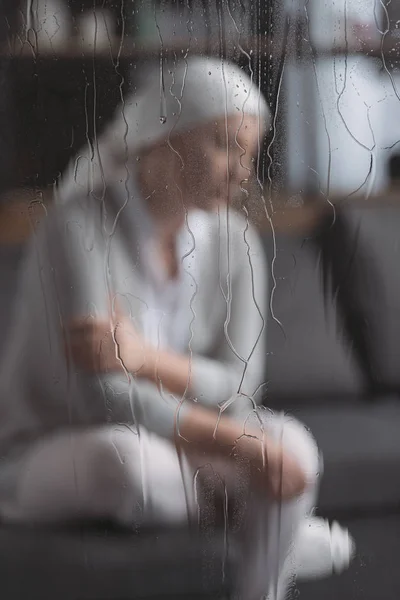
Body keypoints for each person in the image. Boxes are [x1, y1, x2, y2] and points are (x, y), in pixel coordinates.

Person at [0, 57, 353, 599]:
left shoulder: (237, 242)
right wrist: (242, 448)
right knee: (129, 466)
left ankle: (263, 585)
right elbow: (101, 396)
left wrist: (143, 359)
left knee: (296, 446)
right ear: (161, 137)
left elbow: (241, 385)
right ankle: (269, 528)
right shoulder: (78, 227)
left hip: (190, 447)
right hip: (59, 444)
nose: (242, 171)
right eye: (223, 145)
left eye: (249, 152)